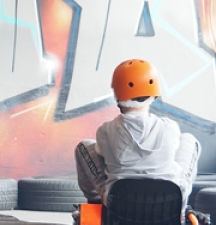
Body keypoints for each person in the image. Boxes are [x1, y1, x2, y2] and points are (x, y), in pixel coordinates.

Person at [75, 58, 200, 206]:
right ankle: (182, 207)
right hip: (168, 202)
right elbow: (173, 150)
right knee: (189, 140)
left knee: (84, 146)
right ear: (154, 94)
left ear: (116, 94)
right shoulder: (169, 127)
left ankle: (95, 203)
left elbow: (101, 156)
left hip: (119, 204)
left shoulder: (106, 131)